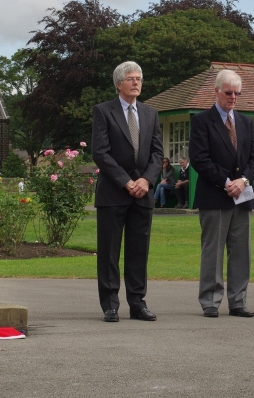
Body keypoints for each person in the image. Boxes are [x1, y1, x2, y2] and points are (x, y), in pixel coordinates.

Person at [92, 61, 163, 323]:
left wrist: (146, 180)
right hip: (113, 193)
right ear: (118, 83)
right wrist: (126, 181)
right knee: (109, 251)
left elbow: (157, 153)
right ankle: (110, 304)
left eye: (139, 79)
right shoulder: (103, 111)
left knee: (138, 251)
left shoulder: (150, 113)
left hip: (142, 194)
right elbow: (100, 152)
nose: (136, 82)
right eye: (131, 78)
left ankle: (137, 303)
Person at [189, 69, 254, 318]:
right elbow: (199, 159)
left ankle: (238, 301)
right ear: (217, 91)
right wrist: (226, 182)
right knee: (213, 251)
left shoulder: (246, 122)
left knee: (242, 252)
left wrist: (243, 181)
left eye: (237, 93)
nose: (233, 97)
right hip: (214, 197)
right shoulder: (201, 121)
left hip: (242, 197)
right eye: (228, 92)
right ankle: (210, 300)